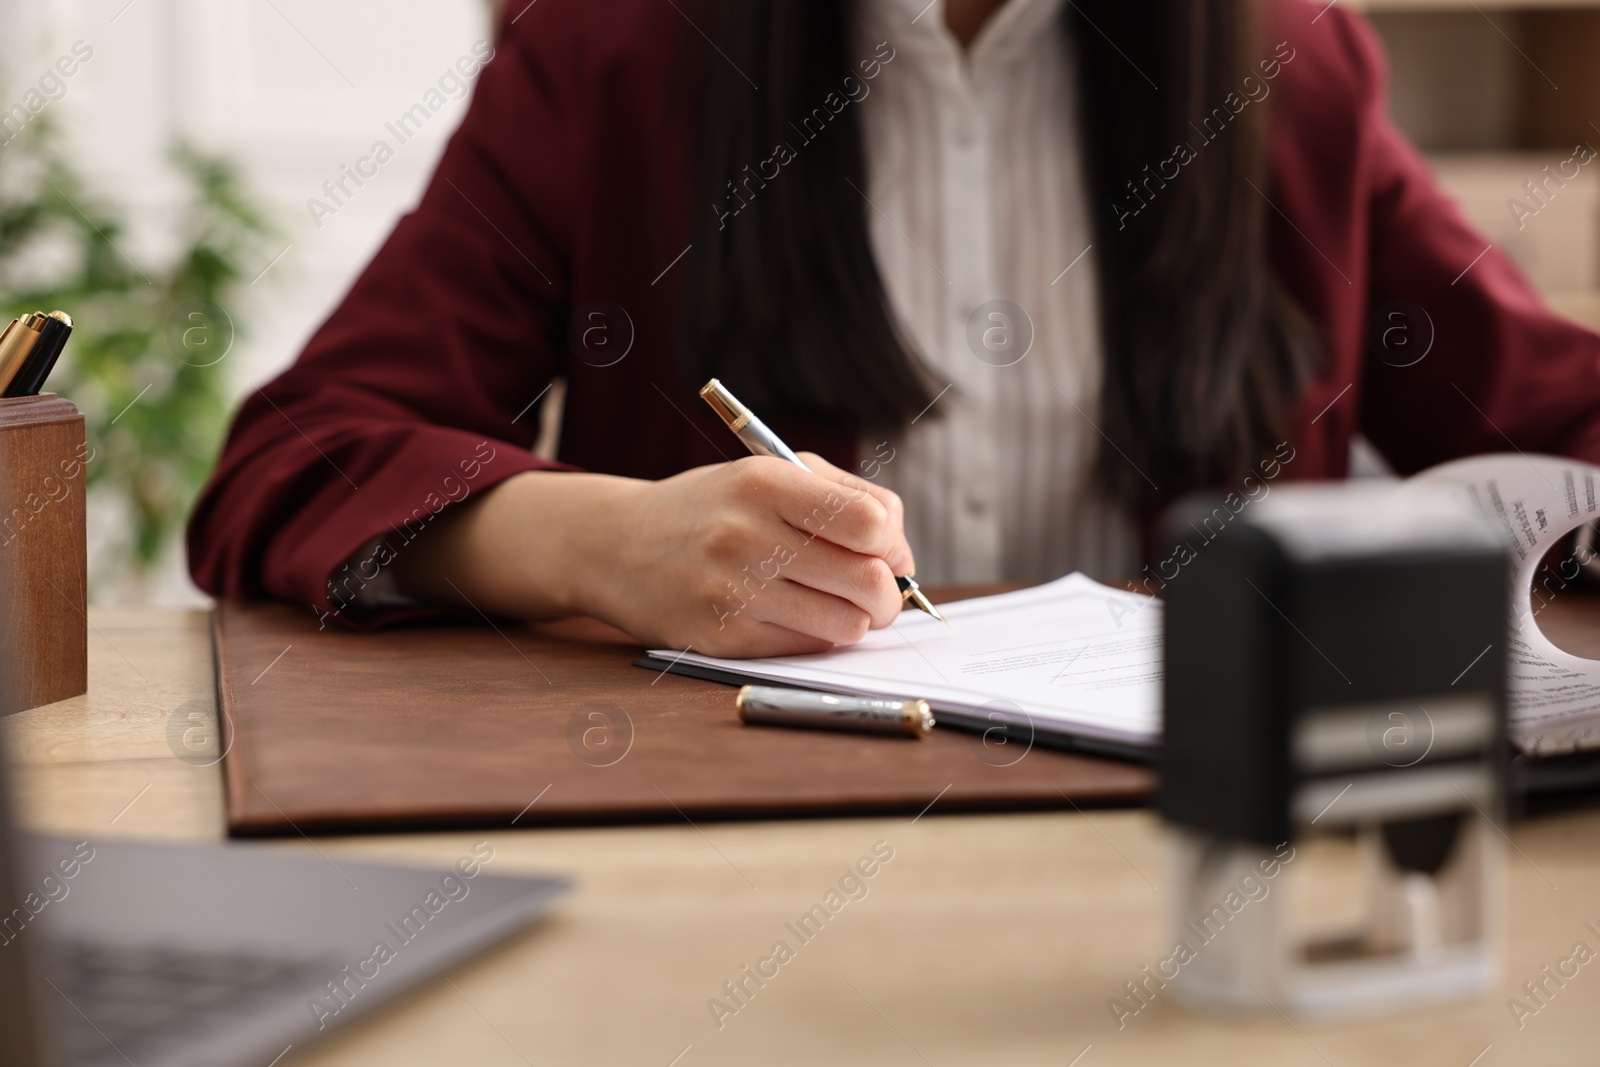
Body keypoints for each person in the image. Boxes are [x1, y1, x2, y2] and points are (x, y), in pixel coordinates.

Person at [187, 0, 1600, 657]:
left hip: (1199, 863)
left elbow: (1551, 411)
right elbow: (296, 461)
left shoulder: (1291, 67)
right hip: (731, 853)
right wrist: (604, 544)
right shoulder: (612, 51)